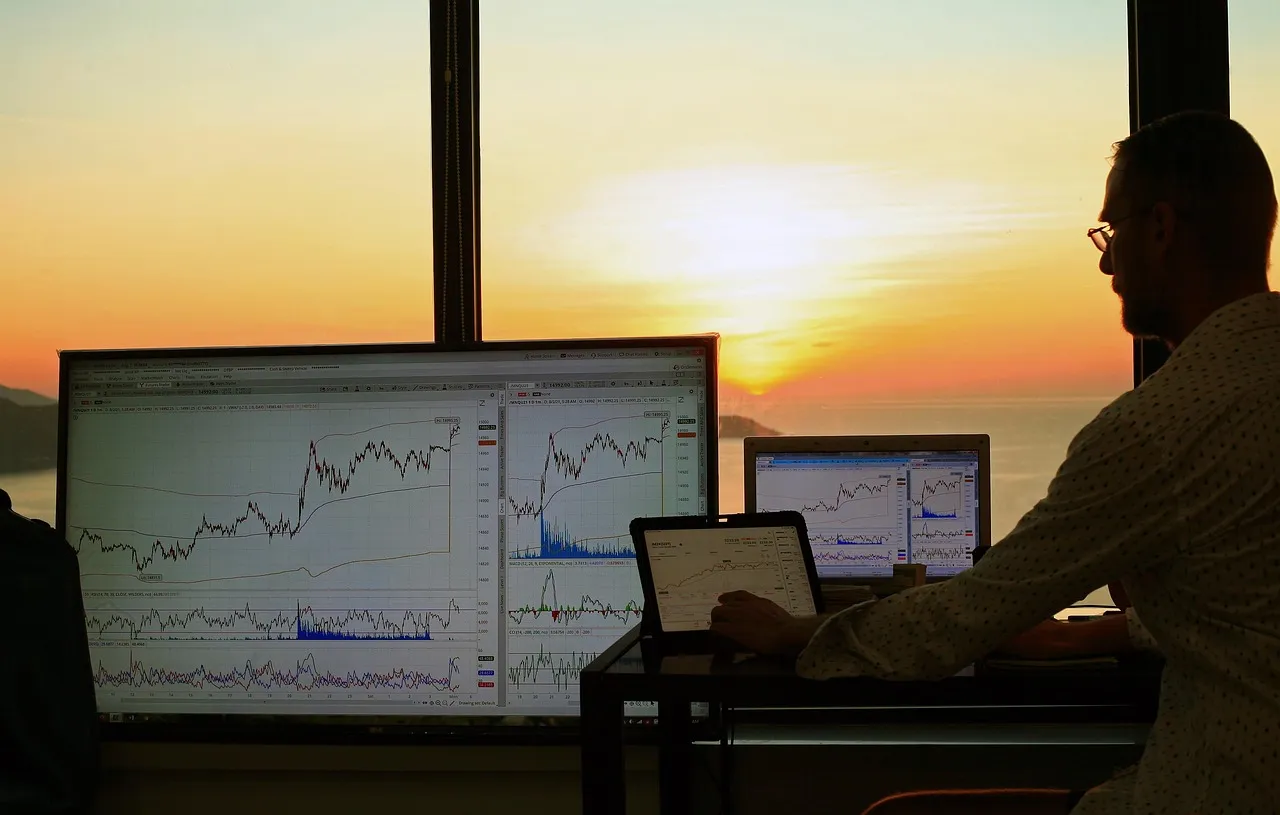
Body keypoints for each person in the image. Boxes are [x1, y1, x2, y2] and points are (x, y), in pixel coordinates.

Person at [709, 110, 1280, 815]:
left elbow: (961, 619)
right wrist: (1088, 635)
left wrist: (796, 631)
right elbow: (1247, 603)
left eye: (1111, 231)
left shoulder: (1156, 428)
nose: (1106, 263)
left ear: (1160, 227)